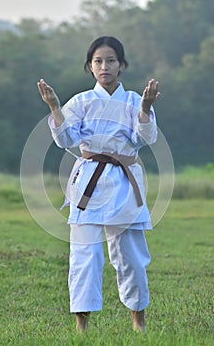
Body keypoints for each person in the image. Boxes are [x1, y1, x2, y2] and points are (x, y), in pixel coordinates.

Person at [37, 36, 160, 332]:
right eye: (98, 61)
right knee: (84, 256)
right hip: (89, 181)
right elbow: (66, 140)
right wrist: (54, 107)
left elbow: (144, 139)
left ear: (121, 65)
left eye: (111, 61)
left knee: (131, 256)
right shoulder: (80, 102)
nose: (105, 66)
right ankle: (82, 326)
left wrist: (145, 108)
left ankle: (138, 322)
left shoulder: (132, 100)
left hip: (123, 181)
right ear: (90, 67)